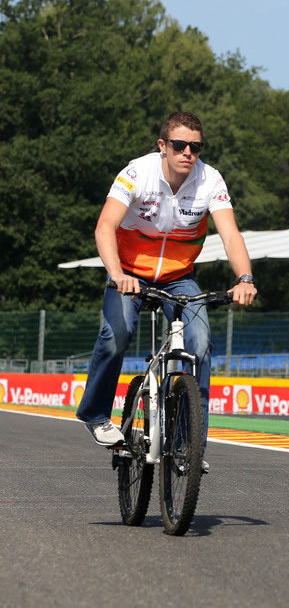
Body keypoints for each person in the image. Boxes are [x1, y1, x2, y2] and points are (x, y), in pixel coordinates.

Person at [76, 111, 258, 467]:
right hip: (129, 273)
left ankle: (188, 446)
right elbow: (104, 226)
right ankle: (95, 415)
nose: (188, 152)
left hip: (179, 278)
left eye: (195, 146)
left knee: (200, 344)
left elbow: (230, 234)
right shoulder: (137, 173)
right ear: (163, 146)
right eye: (179, 145)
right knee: (118, 334)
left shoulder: (210, 180)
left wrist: (245, 279)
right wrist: (117, 274)